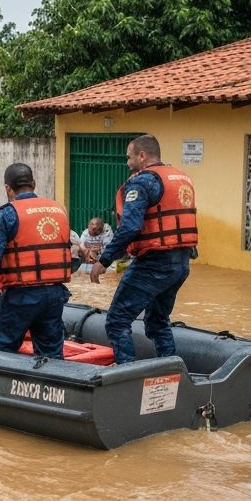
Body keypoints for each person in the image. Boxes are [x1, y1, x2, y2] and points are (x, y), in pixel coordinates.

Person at [88, 134, 198, 363]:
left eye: (129, 157)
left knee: (117, 321)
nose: (127, 163)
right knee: (158, 322)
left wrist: (104, 260)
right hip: (181, 264)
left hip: (153, 263)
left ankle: (128, 376)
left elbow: (130, 227)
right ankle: (171, 370)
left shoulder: (142, 182)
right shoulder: (181, 178)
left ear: (142, 155)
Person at [0, 162, 73, 358]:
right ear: (33, 184)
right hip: (54, 294)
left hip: (20, 296)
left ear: (7, 188)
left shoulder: (7, 214)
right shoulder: (58, 210)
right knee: (52, 355)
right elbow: (69, 254)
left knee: (3, 350)